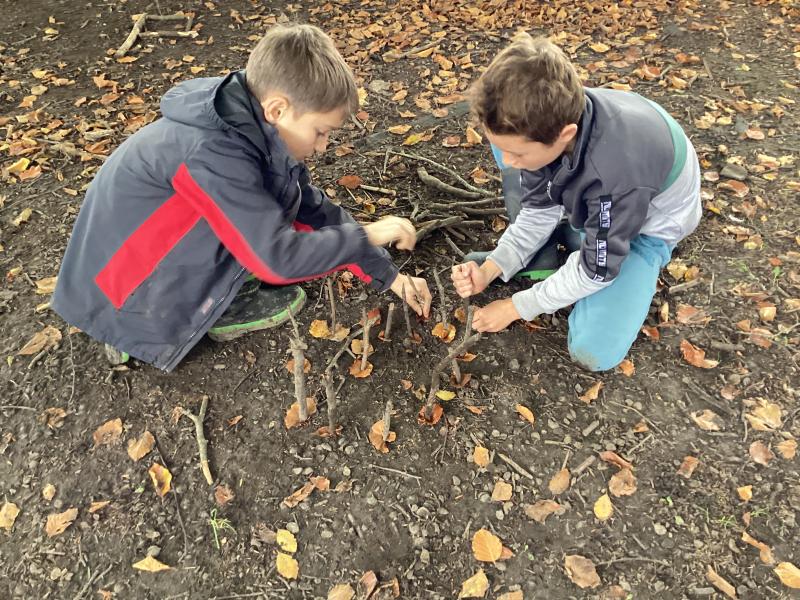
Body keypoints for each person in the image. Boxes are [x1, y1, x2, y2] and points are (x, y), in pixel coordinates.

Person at [52, 23, 431, 371]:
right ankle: (144, 326)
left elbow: (310, 208)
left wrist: (389, 276)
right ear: (278, 109)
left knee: (263, 212)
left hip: (148, 260)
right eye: (320, 132)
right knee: (256, 235)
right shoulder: (213, 152)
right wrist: (366, 234)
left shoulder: (251, 125)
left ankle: (209, 296)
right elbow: (277, 260)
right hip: (122, 291)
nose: (323, 147)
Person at [451, 33, 701, 372]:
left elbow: (597, 271)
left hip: (646, 224)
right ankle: (564, 240)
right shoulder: (540, 121)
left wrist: (516, 307)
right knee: (510, 142)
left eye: (518, 154)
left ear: (565, 135)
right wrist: (493, 267)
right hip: (601, 190)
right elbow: (537, 210)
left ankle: (591, 242)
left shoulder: (614, 176)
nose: (508, 163)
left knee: (593, 350)